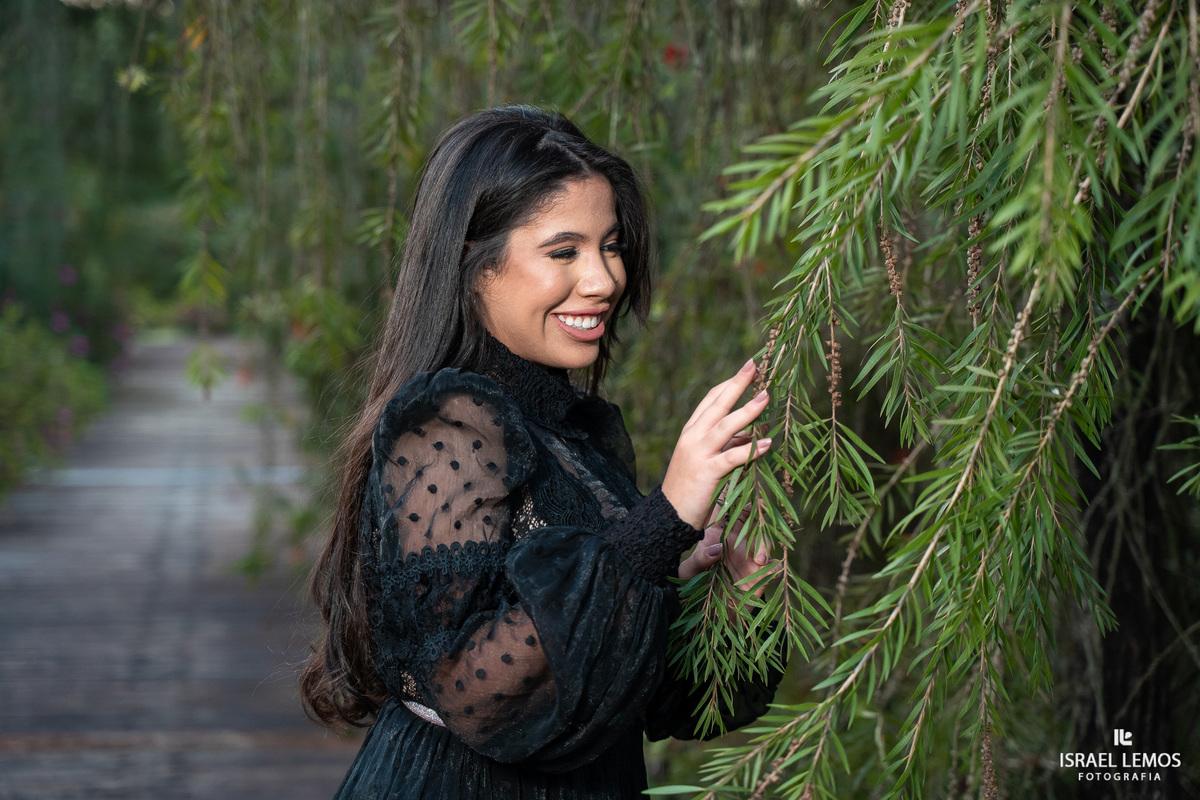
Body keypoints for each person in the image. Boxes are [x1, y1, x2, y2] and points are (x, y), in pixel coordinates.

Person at [301, 105, 785, 799]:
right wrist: (662, 520)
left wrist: (738, 597)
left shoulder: (572, 433)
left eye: (611, 246)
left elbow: (650, 699)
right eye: (564, 252)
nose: (603, 280)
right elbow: (477, 696)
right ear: (475, 265)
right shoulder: (449, 420)